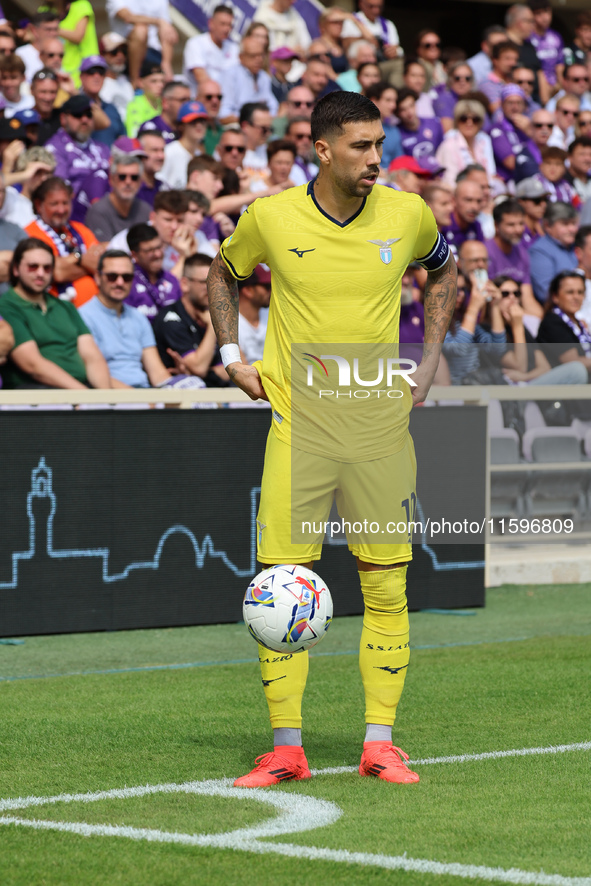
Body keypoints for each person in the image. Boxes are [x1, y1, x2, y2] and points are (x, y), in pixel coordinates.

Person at [207, 90, 456, 787]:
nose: (375, 158)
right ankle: (286, 748)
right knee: (280, 585)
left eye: (378, 143)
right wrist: (231, 354)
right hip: (300, 427)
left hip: (378, 427)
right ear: (320, 149)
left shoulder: (406, 213)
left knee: (385, 584)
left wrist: (430, 356)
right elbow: (222, 273)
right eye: (360, 146)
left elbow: (444, 268)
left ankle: (381, 744)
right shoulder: (271, 217)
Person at [0, 237, 110, 389]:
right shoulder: (6, 306)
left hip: (83, 392)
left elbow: (92, 357)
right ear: (15, 269)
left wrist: (104, 399)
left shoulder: (65, 306)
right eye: (33, 267)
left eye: (47, 268)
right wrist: (85, 397)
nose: (40, 273)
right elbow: (32, 365)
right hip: (39, 396)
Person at [79, 248, 172, 387]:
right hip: (108, 397)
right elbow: (93, 373)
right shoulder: (82, 316)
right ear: (97, 277)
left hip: (145, 396)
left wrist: (176, 389)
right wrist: (141, 401)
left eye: (127, 277)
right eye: (112, 276)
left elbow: (157, 372)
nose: (120, 282)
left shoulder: (138, 317)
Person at [25, 176, 103, 307]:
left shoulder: (81, 229)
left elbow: (101, 262)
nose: (61, 210)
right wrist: (83, 260)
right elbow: (56, 272)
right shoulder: (30, 232)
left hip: (95, 311)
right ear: (39, 205)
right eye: (54, 204)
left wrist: (70, 261)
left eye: (65, 203)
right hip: (57, 312)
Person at [154, 252, 228, 385]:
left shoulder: (215, 312)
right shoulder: (170, 319)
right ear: (185, 284)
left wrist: (206, 374)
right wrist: (213, 325)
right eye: (205, 282)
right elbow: (199, 368)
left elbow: (240, 364)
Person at [496, 273, 586, 381]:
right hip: (512, 392)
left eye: (517, 293)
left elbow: (544, 367)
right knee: (577, 370)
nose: (512, 298)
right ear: (555, 296)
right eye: (505, 294)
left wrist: (526, 377)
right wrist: (517, 327)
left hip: (531, 383)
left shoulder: (520, 326)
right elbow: (520, 366)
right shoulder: (552, 322)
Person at [45, 94, 110, 197]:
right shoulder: (54, 149)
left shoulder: (103, 148)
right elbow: (60, 192)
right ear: (63, 118)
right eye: (78, 114)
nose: (84, 120)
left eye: (89, 115)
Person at [484, 198, 540, 317]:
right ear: (496, 226)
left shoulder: (522, 253)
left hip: (516, 314)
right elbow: (486, 299)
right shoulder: (485, 252)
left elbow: (527, 296)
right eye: (511, 225)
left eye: (521, 224)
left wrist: (540, 319)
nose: (518, 230)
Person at [105, 0, 178, 87]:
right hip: (125, 51)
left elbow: (166, 32)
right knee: (141, 29)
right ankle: (134, 82)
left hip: (153, 53)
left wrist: (166, 63)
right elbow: (128, 17)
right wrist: (159, 21)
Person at [536, 270, 591, 378]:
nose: (576, 297)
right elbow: (574, 363)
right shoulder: (552, 322)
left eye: (580, 292)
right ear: (555, 296)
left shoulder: (578, 323)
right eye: (570, 292)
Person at [85, 152, 151, 241]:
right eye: (122, 177)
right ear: (111, 180)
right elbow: (105, 250)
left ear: (140, 182)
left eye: (134, 177)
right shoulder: (98, 211)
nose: (128, 182)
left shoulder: (145, 210)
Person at [126, 222, 181, 321]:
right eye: (150, 250)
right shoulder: (127, 283)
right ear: (134, 255)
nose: (158, 254)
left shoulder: (171, 280)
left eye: (159, 247)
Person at [435, 99, 495, 189]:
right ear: (457, 121)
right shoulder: (449, 146)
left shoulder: (483, 142)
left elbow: (491, 175)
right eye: (464, 119)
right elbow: (451, 183)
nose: (469, 123)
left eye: (475, 119)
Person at [219, 37, 279, 124]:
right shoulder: (230, 75)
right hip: (238, 125)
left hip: (261, 125)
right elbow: (223, 113)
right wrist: (250, 120)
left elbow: (273, 107)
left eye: (261, 55)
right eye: (253, 56)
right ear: (241, 57)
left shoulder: (264, 77)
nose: (259, 59)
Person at [529, 201, 579, 303]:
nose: (572, 229)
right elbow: (546, 293)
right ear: (547, 226)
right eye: (565, 224)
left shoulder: (577, 245)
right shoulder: (539, 251)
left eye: (573, 223)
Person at [183, 5, 238, 97]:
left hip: (224, 101)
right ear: (211, 23)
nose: (226, 29)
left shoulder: (234, 48)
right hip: (200, 100)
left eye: (230, 25)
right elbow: (202, 78)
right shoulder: (195, 43)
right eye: (223, 24)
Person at [157, 101, 208, 190]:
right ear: (181, 125)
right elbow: (158, 184)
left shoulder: (199, 155)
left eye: (202, 121)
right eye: (193, 121)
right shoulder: (169, 152)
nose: (199, 125)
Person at [79, 54, 125, 146]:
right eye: (91, 72)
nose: (97, 76)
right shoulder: (74, 107)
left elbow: (123, 140)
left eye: (101, 72)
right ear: (82, 77)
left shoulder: (112, 108)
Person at [57, 0, 100, 88]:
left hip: (86, 70)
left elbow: (78, 37)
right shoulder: (45, 9)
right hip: (63, 71)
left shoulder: (82, 5)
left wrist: (51, 28)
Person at [137, 78, 190, 145]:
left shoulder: (188, 127)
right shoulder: (150, 127)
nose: (187, 105)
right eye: (182, 100)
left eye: (189, 101)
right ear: (165, 102)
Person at [395, 88, 443, 162]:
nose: (409, 112)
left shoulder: (434, 123)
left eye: (411, 105)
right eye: (403, 109)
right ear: (397, 114)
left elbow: (443, 151)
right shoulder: (396, 133)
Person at [238, 264, 271, 364]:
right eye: (267, 286)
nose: (272, 290)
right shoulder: (229, 323)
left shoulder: (272, 315)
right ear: (248, 290)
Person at [528, 0, 563, 93]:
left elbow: (560, 65)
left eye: (547, 11)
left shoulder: (556, 36)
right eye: (538, 13)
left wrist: (560, 85)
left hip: (556, 89)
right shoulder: (527, 38)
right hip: (534, 89)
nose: (545, 17)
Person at [440, 179, 485, 252]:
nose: (475, 207)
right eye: (468, 200)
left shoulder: (476, 226)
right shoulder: (443, 225)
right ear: (453, 200)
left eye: (479, 201)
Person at [99, 32, 135, 124]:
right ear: (102, 54)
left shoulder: (127, 82)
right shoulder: (97, 82)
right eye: (114, 52)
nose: (120, 56)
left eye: (124, 51)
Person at [15, 11, 59, 82]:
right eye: (48, 29)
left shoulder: (61, 53)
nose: (53, 34)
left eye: (55, 29)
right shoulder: (20, 54)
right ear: (34, 30)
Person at [365, 80, 400, 169]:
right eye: (388, 100)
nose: (393, 105)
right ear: (374, 101)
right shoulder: (359, 128)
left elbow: (399, 161)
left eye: (394, 101)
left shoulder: (394, 131)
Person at [477, 40, 520, 114]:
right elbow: (493, 108)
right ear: (495, 60)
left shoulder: (517, 80)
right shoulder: (486, 83)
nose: (513, 63)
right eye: (507, 59)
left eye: (515, 59)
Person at [125, 61, 165, 137]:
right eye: (154, 81)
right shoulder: (135, 105)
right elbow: (134, 136)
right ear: (141, 83)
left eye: (162, 81)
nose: (160, 85)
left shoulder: (165, 104)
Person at [433, 62, 475, 133]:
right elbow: (448, 131)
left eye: (467, 78)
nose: (462, 82)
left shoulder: (476, 99)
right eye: (457, 78)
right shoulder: (444, 99)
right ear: (450, 80)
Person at [515, 175, 548, 247]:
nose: (543, 204)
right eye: (537, 200)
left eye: (545, 199)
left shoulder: (544, 229)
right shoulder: (516, 231)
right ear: (520, 202)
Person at [565, 136, 591, 203]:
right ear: (570, 157)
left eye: (590, 155)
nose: (587, 159)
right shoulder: (562, 182)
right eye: (582, 154)